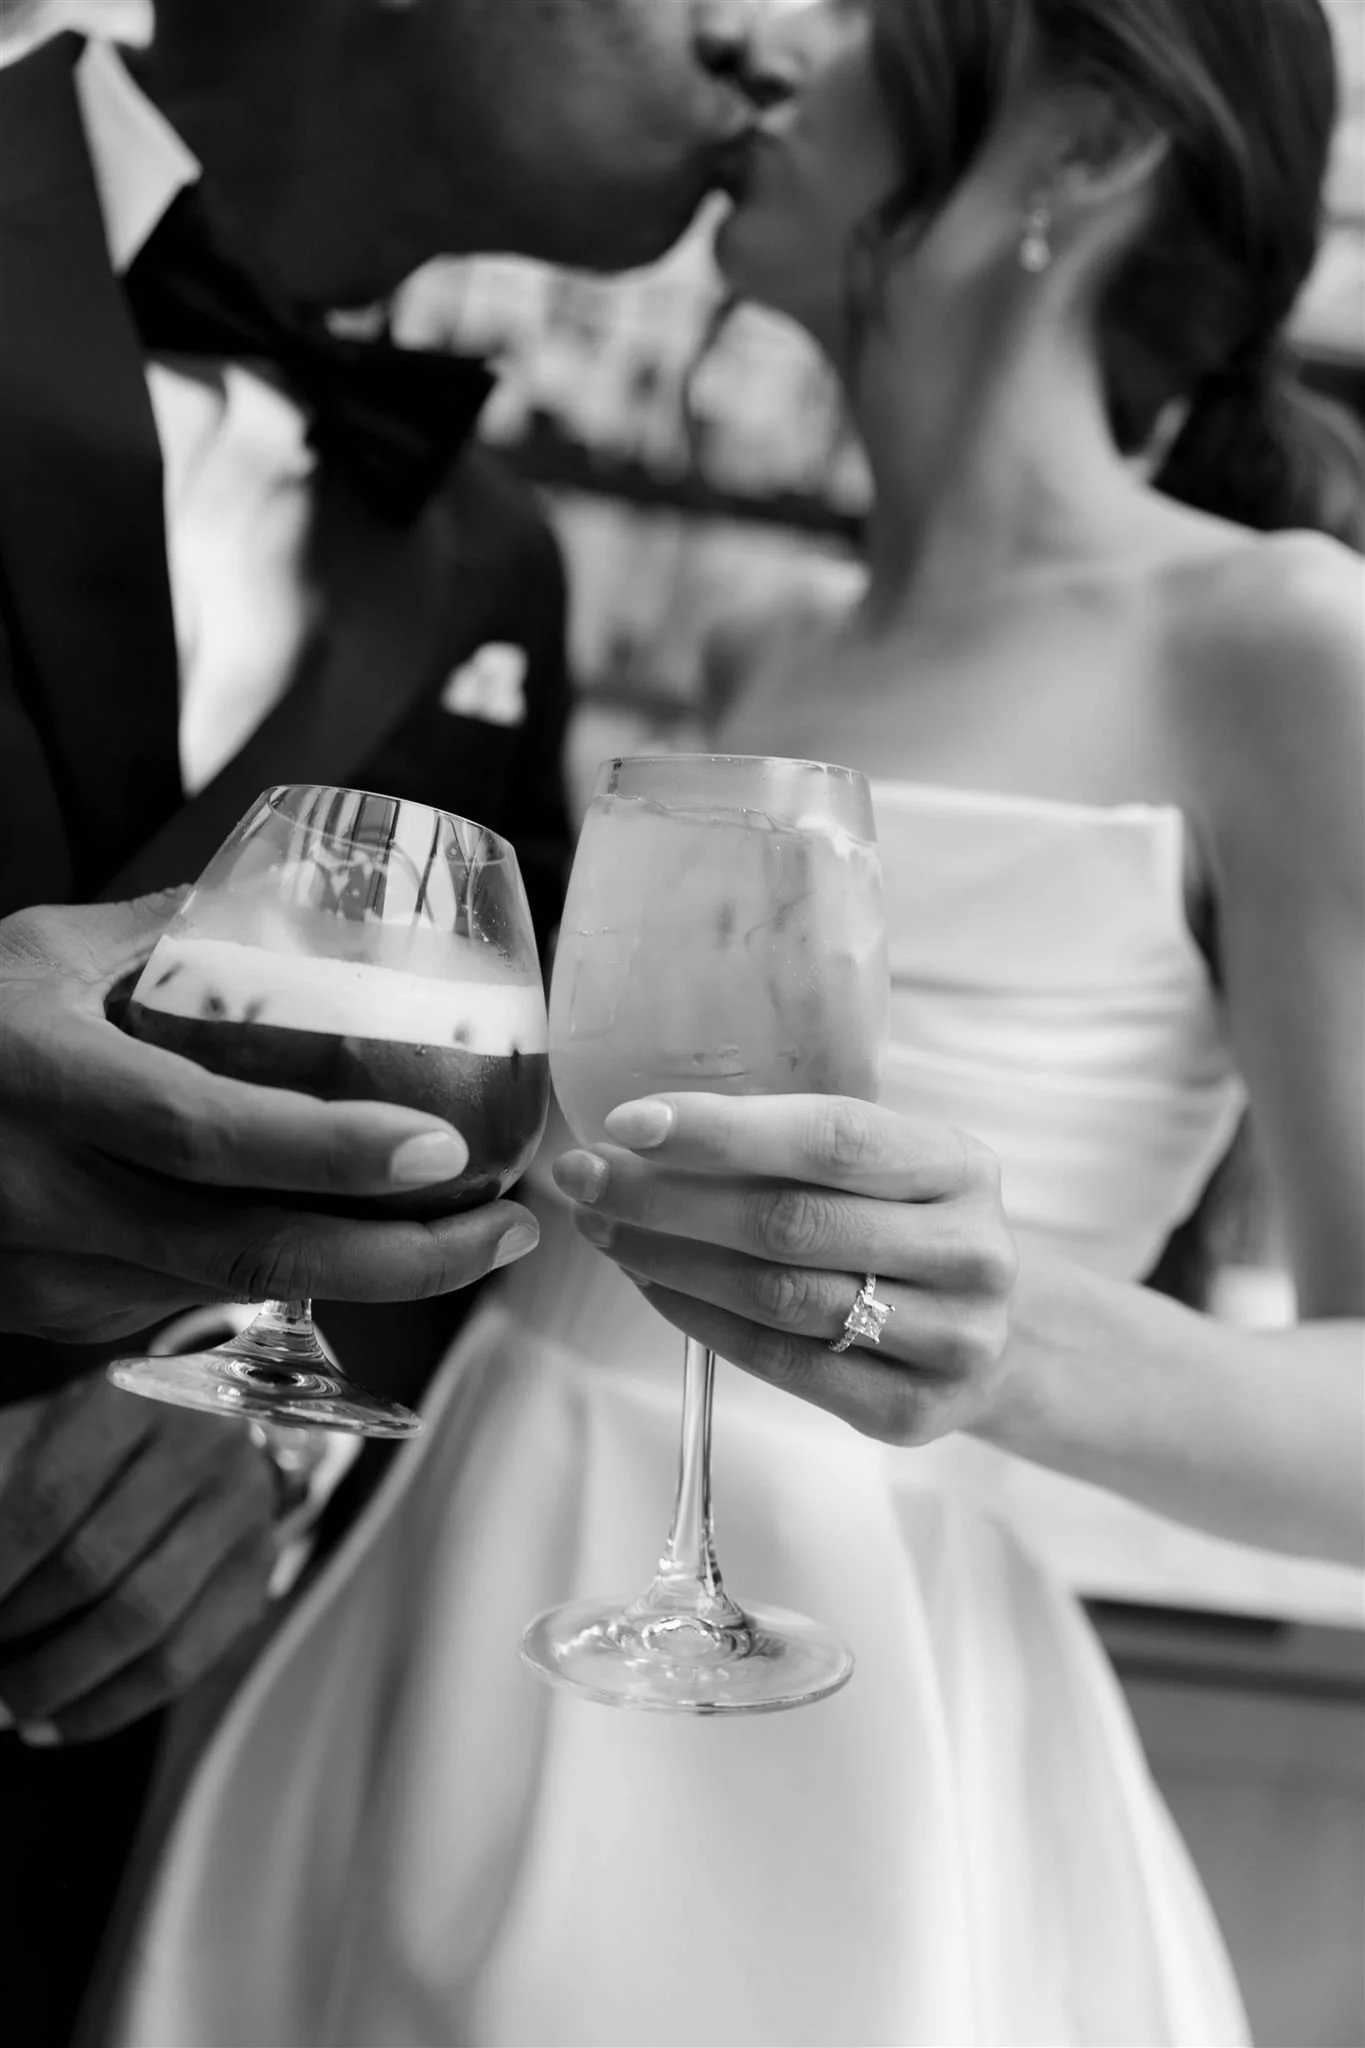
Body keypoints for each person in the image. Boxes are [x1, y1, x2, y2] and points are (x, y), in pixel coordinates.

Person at [107, 0, 1363, 2044]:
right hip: (460, 1575)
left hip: (810, 1671)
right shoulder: (770, 655)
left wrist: (995, 1332)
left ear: (1081, 143)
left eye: (870, 24)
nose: (772, 60)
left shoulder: (1278, 639)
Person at [0, 3, 799, 2041]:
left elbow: (465, 1148)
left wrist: (262, 1435)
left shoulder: (487, 558)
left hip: (49, 1720)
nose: (759, 47)